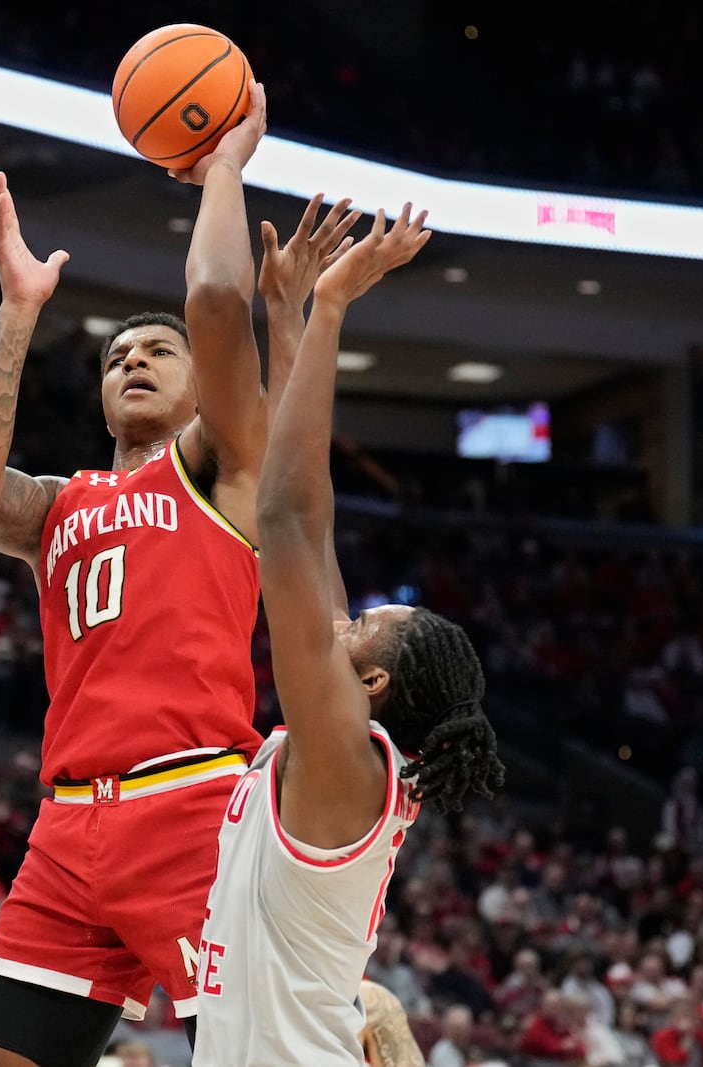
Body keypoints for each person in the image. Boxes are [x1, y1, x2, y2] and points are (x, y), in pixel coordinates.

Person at [0, 82, 359, 1067]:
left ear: (198, 382)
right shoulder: (59, 501)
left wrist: (222, 166)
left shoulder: (221, 468)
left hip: (189, 808)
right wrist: (14, 310)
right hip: (64, 825)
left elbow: (218, 302)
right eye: (115, 356)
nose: (133, 360)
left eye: (156, 351)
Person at [191, 206, 505, 1066]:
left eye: (365, 625)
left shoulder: (343, 758)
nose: (344, 620)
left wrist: (330, 307)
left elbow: (289, 520)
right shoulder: (355, 763)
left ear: (374, 686)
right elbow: (315, 539)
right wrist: (289, 320)